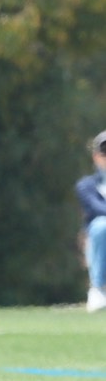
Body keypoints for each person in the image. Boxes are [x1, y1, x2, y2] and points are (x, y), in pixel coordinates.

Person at [76, 131, 106, 314]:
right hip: (97, 240)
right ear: (96, 156)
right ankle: (98, 289)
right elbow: (97, 210)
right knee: (103, 225)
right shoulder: (86, 185)